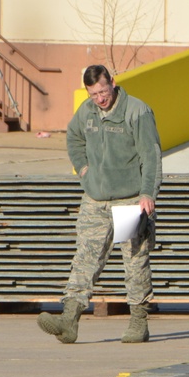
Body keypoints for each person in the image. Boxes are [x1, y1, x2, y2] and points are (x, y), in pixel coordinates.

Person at [37, 65, 162, 344]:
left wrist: (147, 194)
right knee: (85, 257)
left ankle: (138, 321)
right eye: (94, 94)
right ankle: (69, 319)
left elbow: (150, 155)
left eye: (103, 92)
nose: (100, 99)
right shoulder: (87, 111)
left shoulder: (137, 111)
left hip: (130, 199)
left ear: (113, 84)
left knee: (135, 260)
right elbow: (74, 138)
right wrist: (84, 171)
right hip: (96, 198)